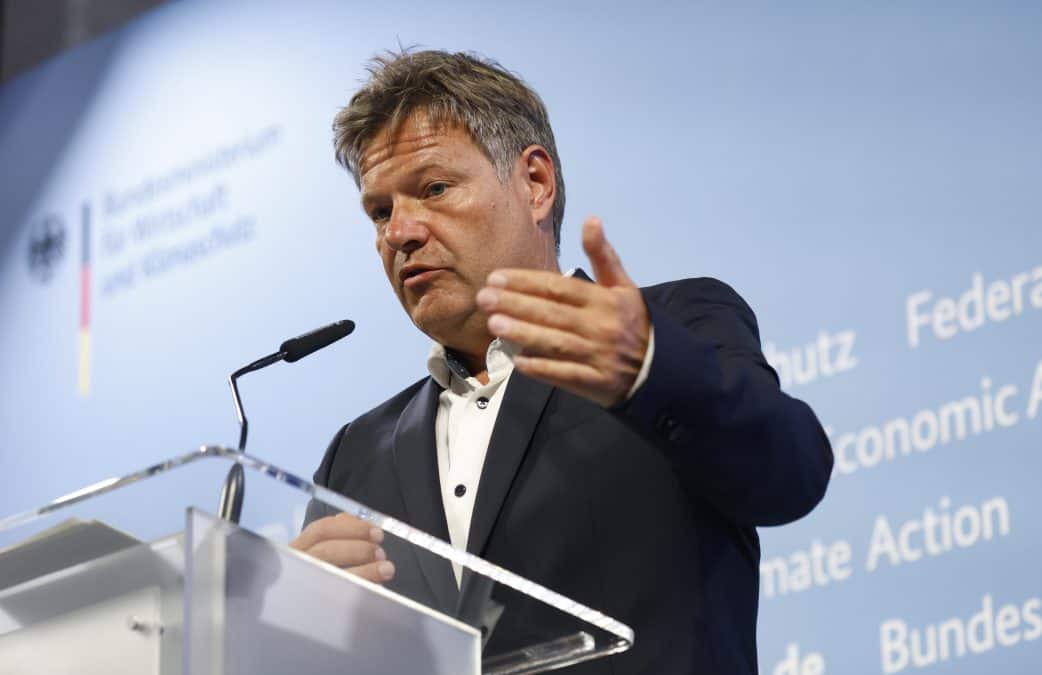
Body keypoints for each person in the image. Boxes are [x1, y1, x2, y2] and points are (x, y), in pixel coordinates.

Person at [291, 49, 833, 674]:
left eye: (434, 189)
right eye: (380, 212)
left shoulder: (673, 327)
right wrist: (294, 626)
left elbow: (791, 474)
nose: (399, 233)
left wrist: (652, 371)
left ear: (535, 183)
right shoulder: (354, 455)